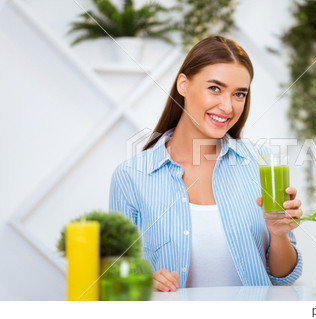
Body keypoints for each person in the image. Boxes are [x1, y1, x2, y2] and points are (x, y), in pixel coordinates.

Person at [109, 36, 303, 292]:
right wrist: (142, 279)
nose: (227, 106)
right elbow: (115, 275)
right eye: (214, 88)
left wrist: (278, 234)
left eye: (239, 94)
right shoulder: (131, 176)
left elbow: (284, 278)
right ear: (183, 85)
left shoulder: (263, 165)